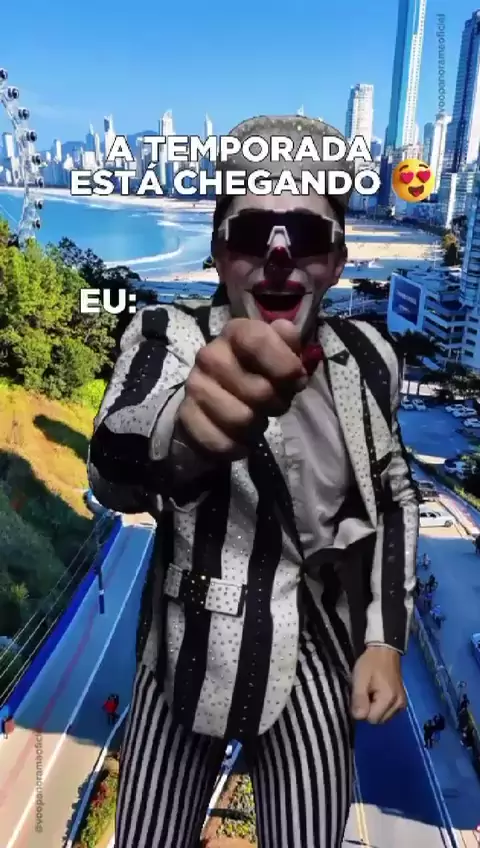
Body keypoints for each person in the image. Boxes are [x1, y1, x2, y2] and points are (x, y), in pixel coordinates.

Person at [88, 115, 419, 848]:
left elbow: (394, 495)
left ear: (337, 259)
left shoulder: (369, 357)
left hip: (317, 650)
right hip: (186, 650)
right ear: (217, 251)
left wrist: (384, 639)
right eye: (250, 233)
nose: (277, 254)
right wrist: (183, 437)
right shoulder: (169, 334)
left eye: (305, 234)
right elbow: (117, 448)